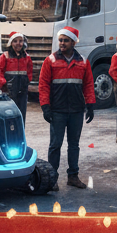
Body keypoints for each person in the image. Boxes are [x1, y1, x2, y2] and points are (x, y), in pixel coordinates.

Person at [39, 26, 95, 189]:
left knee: (74, 144)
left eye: (66, 40)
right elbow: (43, 85)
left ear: (73, 42)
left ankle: (73, 176)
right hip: (57, 110)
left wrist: (90, 104)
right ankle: (52, 178)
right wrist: (45, 106)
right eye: (61, 40)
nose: (62, 43)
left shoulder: (83, 62)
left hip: (76, 110)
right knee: (55, 145)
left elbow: (89, 84)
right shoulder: (50, 61)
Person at [0, 31, 34, 121]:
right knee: (9, 114)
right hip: (9, 91)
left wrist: (27, 81)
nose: (18, 44)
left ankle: (20, 133)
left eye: (20, 41)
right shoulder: (4, 56)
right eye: (15, 41)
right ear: (11, 43)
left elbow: (29, 71)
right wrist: (3, 85)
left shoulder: (27, 57)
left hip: (22, 91)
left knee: (21, 114)